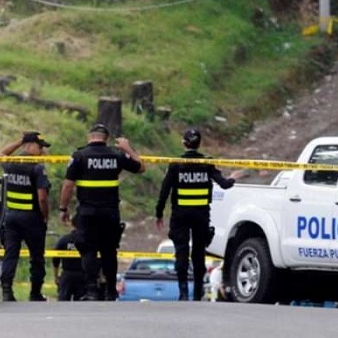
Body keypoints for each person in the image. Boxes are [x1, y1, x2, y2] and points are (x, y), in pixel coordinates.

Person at [59, 123, 145, 301]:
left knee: (88, 250)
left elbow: (68, 185)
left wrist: (63, 208)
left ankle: (91, 290)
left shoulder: (80, 156)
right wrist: (128, 148)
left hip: (87, 213)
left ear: (89, 136)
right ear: (106, 138)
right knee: (109, 251)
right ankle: (111, 291)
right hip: (110, 213)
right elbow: (141, 167)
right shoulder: (116, 155)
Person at [155, 128, 235, 301]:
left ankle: (183, 292)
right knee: (199, 254)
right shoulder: (206, 163)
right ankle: (197, 293)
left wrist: (159, 213)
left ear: (184, 143)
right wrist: (233, 178)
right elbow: (224, 184)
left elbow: (165, 190)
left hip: (180, 216)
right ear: (199, 144)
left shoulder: (176, 164)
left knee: (181, 253)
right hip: (201, 215)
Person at [0, 131, 51, 302]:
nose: (43, 152)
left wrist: (19, 141)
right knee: (36, 257)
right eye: (40, 147)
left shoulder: (11, 163)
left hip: (11, 218)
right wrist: (45, 216)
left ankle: (7, 291)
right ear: (31, 146)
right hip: (32, 219)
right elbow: (42, 197)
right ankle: (35, 293)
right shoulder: (37, 168)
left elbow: (2, 154)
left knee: (10, 255)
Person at [52, 213, 85, 301]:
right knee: (82, 304)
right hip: (82, 275)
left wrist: (56, 277)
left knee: (63, 302)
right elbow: (95, 259)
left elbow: (55, 259)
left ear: (71, 224)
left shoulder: (63, 240)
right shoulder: (86, 240)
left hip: (67, 275)